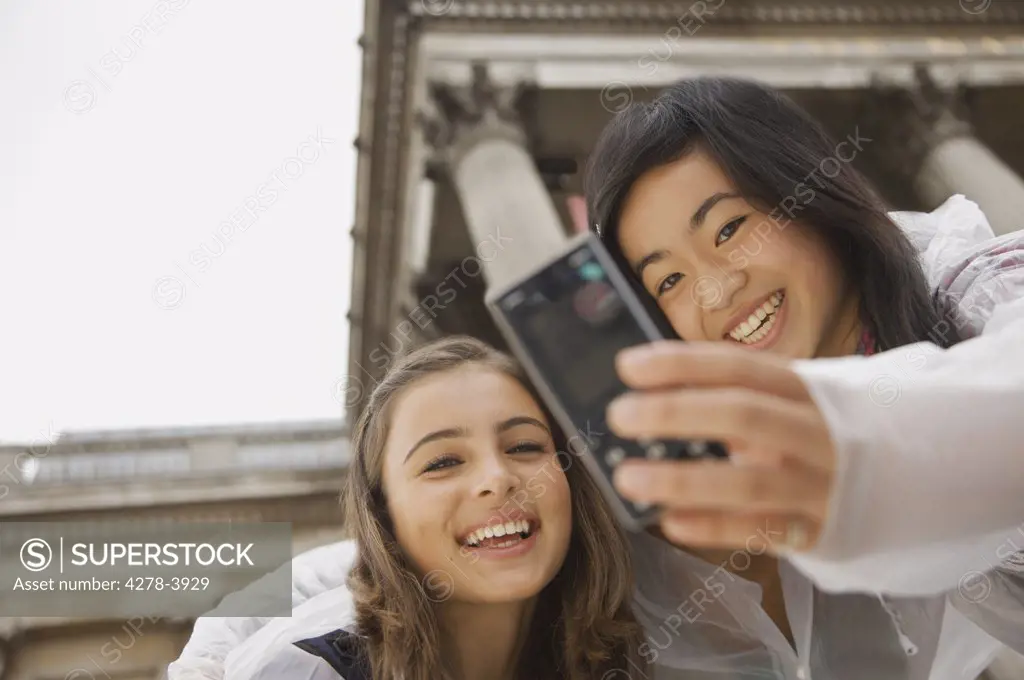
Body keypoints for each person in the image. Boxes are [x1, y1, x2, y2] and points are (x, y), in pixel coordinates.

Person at [170, 78, 1024, 680]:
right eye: (666, 281)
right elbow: (360, 565)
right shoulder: (624, 463)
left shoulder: (956, 278)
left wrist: (845, 451)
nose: (716, 291)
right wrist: (207, 664)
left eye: (729, 230)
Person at [212, 335, 648, 679]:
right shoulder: (309, 670)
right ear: (383, 514)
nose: (497, 478)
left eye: (524, 446)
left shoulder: (645, 645)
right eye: (443, 462)